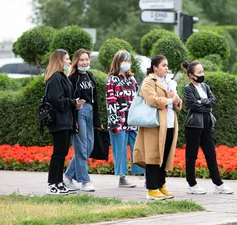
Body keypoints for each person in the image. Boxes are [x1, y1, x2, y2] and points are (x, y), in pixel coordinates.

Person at [133, 55, 182, 200]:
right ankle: (152, 189)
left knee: (164, 155)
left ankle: (161, 185)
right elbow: (152, 100)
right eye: (163, 65)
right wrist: (169, 100)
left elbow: (177, 103)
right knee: (153, 155)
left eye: (167, 65)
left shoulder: (168, 82)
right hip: (154, 125)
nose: (166, 68)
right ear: (155, 67)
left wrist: (176, 99)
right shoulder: (149, 81)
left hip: (169, 123)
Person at [182, 61, 234, 195]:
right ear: (191, 75)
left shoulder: (205, 86)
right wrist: (205, 104)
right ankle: (192, 185)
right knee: (191, 156)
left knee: (211, 154)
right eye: (199, 72)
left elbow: (214, 102)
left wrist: (203, 102)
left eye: (202, 71)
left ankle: (218, 184)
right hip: (194, 126)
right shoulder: (188, 88)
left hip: (207, 124)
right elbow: (193, 105)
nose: (202, 74)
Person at [44, 49, 85, 195]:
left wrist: (74, 105)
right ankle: (52, 184)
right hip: (59, 122)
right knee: (58, 154)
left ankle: (59, 183)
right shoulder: (55, 78)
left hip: (66, 121)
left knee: (62, 153)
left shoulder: (63, 77)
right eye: (66, 59)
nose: (69, 62)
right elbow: (57, 101)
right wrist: (73, 102)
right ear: (59, 61)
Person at [64, 49, 103, 192]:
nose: (85, 62)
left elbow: (96, 100)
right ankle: (84, 181)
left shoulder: (90, 75)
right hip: (78, 113)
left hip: (90, 112)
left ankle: (67, 177)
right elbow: (70, 101)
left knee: (89, 147)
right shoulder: (71, 78)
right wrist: (73, 120)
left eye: (87, 59)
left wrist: (97, 120)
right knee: (81, 149)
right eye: (81, 60)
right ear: (76, 61)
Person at [106, 50, 145, 187]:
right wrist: (114, 122)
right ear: (117, 62)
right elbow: (111, 102)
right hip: (118, 121)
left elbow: (137, 99)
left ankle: (145, 175)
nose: (126, 64)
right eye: (124, 61)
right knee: (120, 150)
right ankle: (122, 178)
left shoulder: (132, 79)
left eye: (128, 61)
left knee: (138, 147)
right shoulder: (112, 80)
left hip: (133, 120)